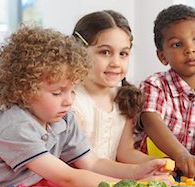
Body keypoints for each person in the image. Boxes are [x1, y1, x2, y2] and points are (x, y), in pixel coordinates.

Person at [0, 25, 169, 187]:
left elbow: (91, 163)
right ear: (23, 90)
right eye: (57, 93)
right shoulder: (16, 127)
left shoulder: (62, 118)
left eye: (72, 91)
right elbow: (67, 177)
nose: (68, 102)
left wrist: (137, 172)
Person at [134, 4, 195, 180]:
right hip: (154, 174)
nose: (190, 49)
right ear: (162, 56)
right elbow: (151, 121)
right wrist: (181, 155)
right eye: (177, 44)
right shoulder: (154, 86)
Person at [71, 10, 166, 164]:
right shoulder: (71, 99)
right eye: (105, 52)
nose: (116, 63)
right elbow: (79, 165)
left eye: (123, 54)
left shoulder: (122, 96)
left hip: (110, 180)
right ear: (79, 51)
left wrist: (162, 163)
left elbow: (125, 152)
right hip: (78, 182)